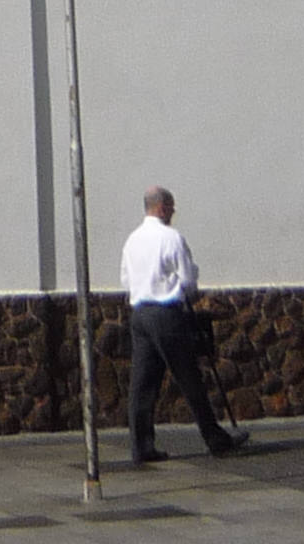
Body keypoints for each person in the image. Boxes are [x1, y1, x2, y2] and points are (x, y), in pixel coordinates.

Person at [117, 186, 245, 464]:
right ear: (162, 207)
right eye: (172, 206)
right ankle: (215, 439)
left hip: (140, 313)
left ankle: (141, 445)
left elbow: (126, 280)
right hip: (166, 314)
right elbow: (187, 281)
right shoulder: (171, 238)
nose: (174, 211)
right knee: (190, 379)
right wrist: (185, 289)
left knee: (142, 383)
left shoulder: (132, 240)